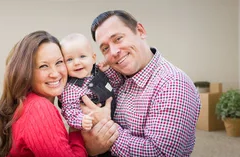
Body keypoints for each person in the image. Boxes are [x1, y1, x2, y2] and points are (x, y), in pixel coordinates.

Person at [81, 10, 201, 156]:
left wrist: (105, 128)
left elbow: (160, 154)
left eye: (118, 39)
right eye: (105, 48)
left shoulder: (173, 84)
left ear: (140, 31)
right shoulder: (118, 76)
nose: (113, 52)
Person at [0, 30, 118, 157]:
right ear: (26, 72)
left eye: (59, 62)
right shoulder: (39, 108)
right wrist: (85, 142)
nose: (55, 74)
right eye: (43, 66)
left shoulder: (28, 103)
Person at [58, 33, 118, 157]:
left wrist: (109, 69)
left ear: (93, 58)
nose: (76, 62)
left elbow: (115, 84)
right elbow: (69, 110)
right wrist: (81, 120)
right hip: (93, 133)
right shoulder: (71, 88)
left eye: (82, 56)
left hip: (115, 124)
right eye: (69, 59)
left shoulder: (99, 72)